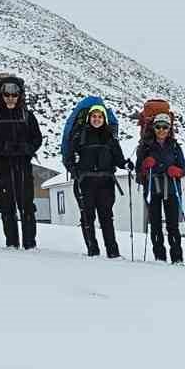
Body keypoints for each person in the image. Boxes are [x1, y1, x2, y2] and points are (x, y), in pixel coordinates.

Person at [0, 76, 43, 249]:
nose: (10, 98)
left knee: (26, 204)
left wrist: (27, 149)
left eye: (14, 95)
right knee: (6, 205)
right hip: (2, 166)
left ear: (19, 96)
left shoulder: (27, 116)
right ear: (1, 95)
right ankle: (11, 244)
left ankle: (30, 244)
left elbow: (37, 138)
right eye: (7, 95)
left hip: (23, 165)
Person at [62, 102, 128, 257]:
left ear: (104, 119)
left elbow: (118, 158)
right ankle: (93, 250)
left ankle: (113, 252)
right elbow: (69, 158)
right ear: (89, 118)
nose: (97, 119)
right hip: (85, 182)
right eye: (94, 116)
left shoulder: (110, 138)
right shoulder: (79, 136)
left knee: (106, 217)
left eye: (100, 117)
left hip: (106, 182)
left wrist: (126, 164)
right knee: (87, 217)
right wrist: (74, 171)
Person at [135, 113, 185, 264]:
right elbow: (138, 171)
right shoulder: (145, 147)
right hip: (153, 189)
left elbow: (183, 169)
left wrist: (177, 171)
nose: (161, 130)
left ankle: (177, 258)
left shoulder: (175, 146)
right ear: (153, 127)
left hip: (171, 188)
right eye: (158, 127)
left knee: (173, 225)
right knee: (155, 224)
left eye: (165, 127)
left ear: (169, 129)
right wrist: (145, 166)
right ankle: (160, 257)